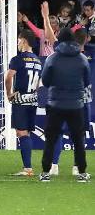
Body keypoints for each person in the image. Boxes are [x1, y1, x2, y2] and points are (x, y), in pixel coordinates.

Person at [40, 28, 90, 182]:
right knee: (78, 140)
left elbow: (46, 81)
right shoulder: (81, 58)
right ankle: (81, 173)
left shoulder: (52, 58)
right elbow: (87, 81)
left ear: (59, 40)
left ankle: (46, 172)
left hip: (55, 104)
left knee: (51, 139)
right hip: (76, 105)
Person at [5, 29, 41, 177]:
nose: (18, 43)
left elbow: (8, 77)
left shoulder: (18, 59)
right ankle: (28, 167)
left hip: (20, 100)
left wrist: (9, 94)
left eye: (19, 40)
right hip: (32, 100)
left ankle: (28, 168)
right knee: (26, 132)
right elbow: (39, 83)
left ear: (24, 41)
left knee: (21, 132)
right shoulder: (38, 60)